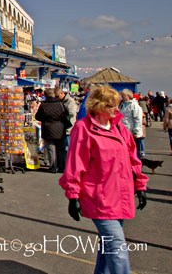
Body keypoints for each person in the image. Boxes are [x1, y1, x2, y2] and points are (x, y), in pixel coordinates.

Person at [60, 84, 148, 274]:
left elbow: (133, 159)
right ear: (98, 106)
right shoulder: (84, 129)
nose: (116, 109)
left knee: (109, 248)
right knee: (118, 249)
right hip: (99, 198)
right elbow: (75, 164)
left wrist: (140, 185)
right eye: (111, 105)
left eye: (116, 105)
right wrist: (73, 195)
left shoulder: (119, 129)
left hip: (121, 196)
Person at [35, 88, 68, 173]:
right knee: (61, 149)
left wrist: (45, 119)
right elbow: (65, 116)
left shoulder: (43, 105)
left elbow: (37, 117)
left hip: (48, 128)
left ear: (45, 95)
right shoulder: (60, 104)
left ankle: (53, 167)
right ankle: (62, 167)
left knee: (51, 148)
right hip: (60, 128)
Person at [118, 90, 143, 159]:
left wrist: (136, 131)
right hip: (124, 131)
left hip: (132, 131)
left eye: (123, 95)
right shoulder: (122, 105)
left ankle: (137, 165)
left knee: (135, 150)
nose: (121, 97)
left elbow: (137, 119)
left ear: (127, 96)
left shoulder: (134, 105)